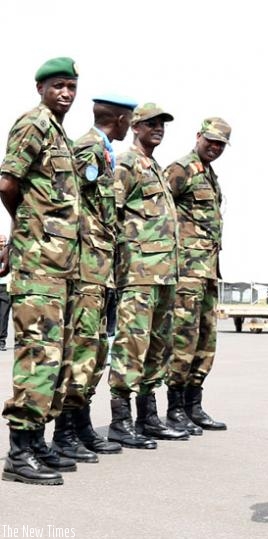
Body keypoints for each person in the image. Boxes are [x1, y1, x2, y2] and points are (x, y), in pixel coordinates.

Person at [0, 57, 81, 486]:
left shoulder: (58, 132)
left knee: (55, 356)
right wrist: (25, 228)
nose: (66, 93)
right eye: (58, 86)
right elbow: (7, 182)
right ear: (41, 89)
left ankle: (35, 442)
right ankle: (18, 453)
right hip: (38, 263)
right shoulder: (32, 124)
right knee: (38, 354)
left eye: (71, 87)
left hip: (60, 265)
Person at [52, 96, 138, 463]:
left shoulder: (104, 151)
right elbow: (69, 202)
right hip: (85, 268)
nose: (131, 126)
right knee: (81, 348)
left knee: (95, 350)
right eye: (130, 120)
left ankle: (81, 424)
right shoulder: (88, 148)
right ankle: (65, 432)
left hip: (101, 270)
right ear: (119, 119)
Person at [107, 103, 187, 449]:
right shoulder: (126, 163)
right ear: (135, 126)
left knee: (158, 346)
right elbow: (112, 212)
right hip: (138, 272)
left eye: (162, 124)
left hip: (166, 274)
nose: (158, 129)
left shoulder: (154, 167)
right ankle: (120, 421)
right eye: (151, 124)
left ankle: (148, 417)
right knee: (132, 343)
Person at [164, 117, 232, 435]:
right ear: (198, 136)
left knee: (206, 341)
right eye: (211, 140)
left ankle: (194, 405)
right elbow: (159, 213)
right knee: (183, 339)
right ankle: (175, 408)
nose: (215, 147)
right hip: (185, 272)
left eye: (220, 143)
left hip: (207, 273)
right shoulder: (181, 168)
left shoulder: (211, 176)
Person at [0, 235, 10, 351]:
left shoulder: (9, 253)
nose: (2, 243)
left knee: (3, 315)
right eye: (0, 241)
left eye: (3, 241)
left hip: (5, 287)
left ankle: (2, 341)